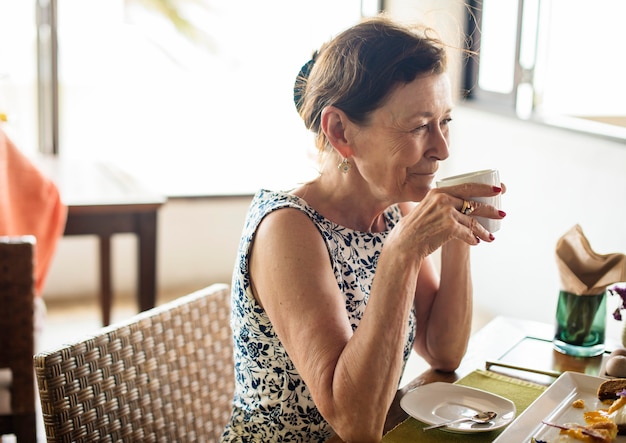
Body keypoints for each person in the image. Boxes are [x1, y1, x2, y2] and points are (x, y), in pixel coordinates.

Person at [220, 15, 505, 443]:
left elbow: (443, 351)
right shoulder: (287, 229)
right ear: (341, 132)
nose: (442, 149)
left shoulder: (395, 211)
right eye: (419, 126)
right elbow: (354, 424)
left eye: (445, 121)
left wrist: (457, 233)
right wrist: (401, 255)